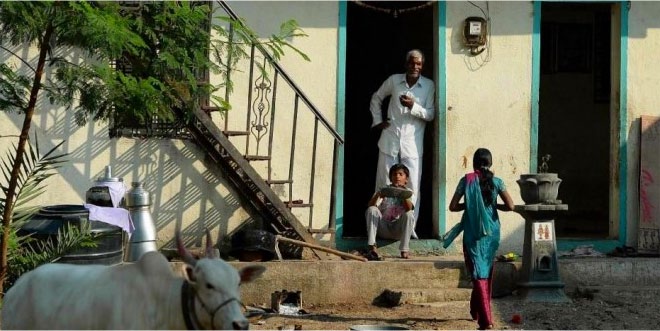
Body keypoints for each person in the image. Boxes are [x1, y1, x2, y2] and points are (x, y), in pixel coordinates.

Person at [442, 148, 514, 330]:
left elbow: (452, 207)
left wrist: (471, 205)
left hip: (473, 231)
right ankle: (475, 311)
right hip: (492, 232)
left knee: (477, 273)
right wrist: (492, 205)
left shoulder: (466, 181)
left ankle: (486, 320)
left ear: (474, 163)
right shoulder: (497, 182)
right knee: (484, 272)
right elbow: (511, 206)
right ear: (491, 163)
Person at [370, 49, 435, 233]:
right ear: (406, 64)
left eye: (419, 64)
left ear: (422, 66)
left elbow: (430, 114)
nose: (415, 66)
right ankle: (379, 228)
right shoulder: (394, 80)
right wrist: (377, 121)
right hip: (390, 139)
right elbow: (376, 98)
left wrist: (413, 106)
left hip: (412, 144)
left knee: (413, 186)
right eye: (412, 63)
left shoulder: (428, 86)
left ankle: (408, 229)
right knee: (383, 183)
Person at [365, 163, 416, 260]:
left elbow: (409, 208)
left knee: (409, 214)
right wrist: (379, 195)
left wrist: (402, 194)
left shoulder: (409, 192)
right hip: (383, 228)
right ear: (390, 177)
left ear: (406, 179)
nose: (397, 176)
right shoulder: (384, 190)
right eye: (394, 174)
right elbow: (370, 205)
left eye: (401, 174)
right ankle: (372, 246)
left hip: (398, 230)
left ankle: (404, 249)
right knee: (372, 210)